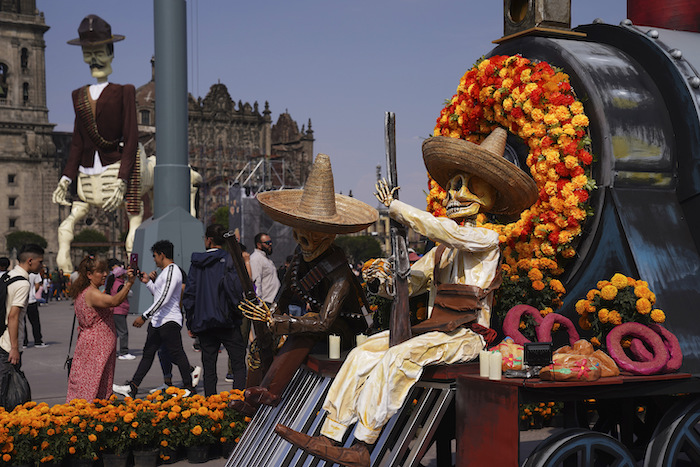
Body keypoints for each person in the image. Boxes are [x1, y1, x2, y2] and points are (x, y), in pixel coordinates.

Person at [274, 128, 538, 466]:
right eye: (452, 185)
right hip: (432, 330)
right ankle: (330, 435)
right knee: (363, 353)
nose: (454, 195)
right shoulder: (441, 252)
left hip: (466, 337)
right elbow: (409, 281)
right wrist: (381, 279)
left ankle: (362, 446)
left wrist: (396, 208)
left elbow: (445, 230)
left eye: (466, 187)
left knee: (398, 358)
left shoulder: (486, 239)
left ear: (488, 198)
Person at [233, 153, 377, 416]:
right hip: (319, 325)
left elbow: (324, 321)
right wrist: (270, 318)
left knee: (306, 329)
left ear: (331, 234)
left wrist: (286, 324)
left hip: (349, 331)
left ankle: (271, 391)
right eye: (300, 229)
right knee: (258, 345)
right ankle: (250, 397)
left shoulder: (340, 271)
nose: (303, 237)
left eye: (314, 230)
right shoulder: (299, 258)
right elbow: (284, 296)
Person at [51, 14, 140, 273]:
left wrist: (123, 178)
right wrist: (66, 178)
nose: (94, 59)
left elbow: (131, 136)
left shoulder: (124, 90)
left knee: (133, 214)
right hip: (87, 170)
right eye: (88, 53)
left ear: (110, 53)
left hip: (115, 164)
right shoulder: (78, 95)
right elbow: (77, 142)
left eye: (99, 51)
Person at [113, 240, 197, 398]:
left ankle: (189, 386)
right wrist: (148, 282)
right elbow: (158, 294)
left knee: (177, 353)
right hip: (158, 321)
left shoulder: (173, 270)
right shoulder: (164, 272)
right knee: (148, 354)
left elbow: (164, 298)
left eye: (155, 256)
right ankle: (133, 387)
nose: (154, 259)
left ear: (162, 255)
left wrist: (144, 316)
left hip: (169, 320)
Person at [183, 224, 246, 396]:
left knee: (209, 367)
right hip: (227, 321)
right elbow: (235, 290)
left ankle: (211, 407)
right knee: (238, 364)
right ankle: (237, 403)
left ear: (209, 240)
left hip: (204, 323)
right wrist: (237, 314)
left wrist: (190, 321)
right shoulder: (230, 259)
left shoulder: (196, 264)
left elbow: (190, 294)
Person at [66, 256, 135, 402]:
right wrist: (129, 284)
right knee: (94, 381)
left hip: (92, 342)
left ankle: (86, 410)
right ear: (89, 274)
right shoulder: (91, 293)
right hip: (97, 344)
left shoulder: (85, 291)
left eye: (105, 271)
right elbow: (114, 301)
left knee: (90, 379)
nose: (105, 274)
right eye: (100, 271)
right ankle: (89, 412)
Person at [0, 244, 44, 405]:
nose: (42, 265)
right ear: (30, 261)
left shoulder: (8, 276)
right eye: (40, 262)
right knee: (10, 393)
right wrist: (14, 348)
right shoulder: (23, 284)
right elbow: (13, 317)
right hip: (7, 345)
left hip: (1, 338)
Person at [106, 265, 135, 360]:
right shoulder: (119, 285)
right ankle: (123, 352)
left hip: (115, 311)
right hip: (119, 311)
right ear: (121, 276)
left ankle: (109, 351)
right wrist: (128, 284)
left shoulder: (113, 283)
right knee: (123, 332)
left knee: (115, 333)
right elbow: (130, 294)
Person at [249, 232, 280, 305]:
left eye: (271, 242)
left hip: (273, 302)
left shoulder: (266, 259)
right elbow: (256, 282)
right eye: (267, 242)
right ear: (259, 245)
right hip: (265, 303)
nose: (270, 244)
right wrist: (259, 304)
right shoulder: (256, 258)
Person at [23, 269, 46, 348]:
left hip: (21, 301)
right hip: (31, 300)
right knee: (35, 322)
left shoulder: (19, 272)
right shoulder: (35, 273)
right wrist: (32, 292)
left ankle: (24, 342)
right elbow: (37, 285)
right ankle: (38, 341)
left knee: (22, 323)